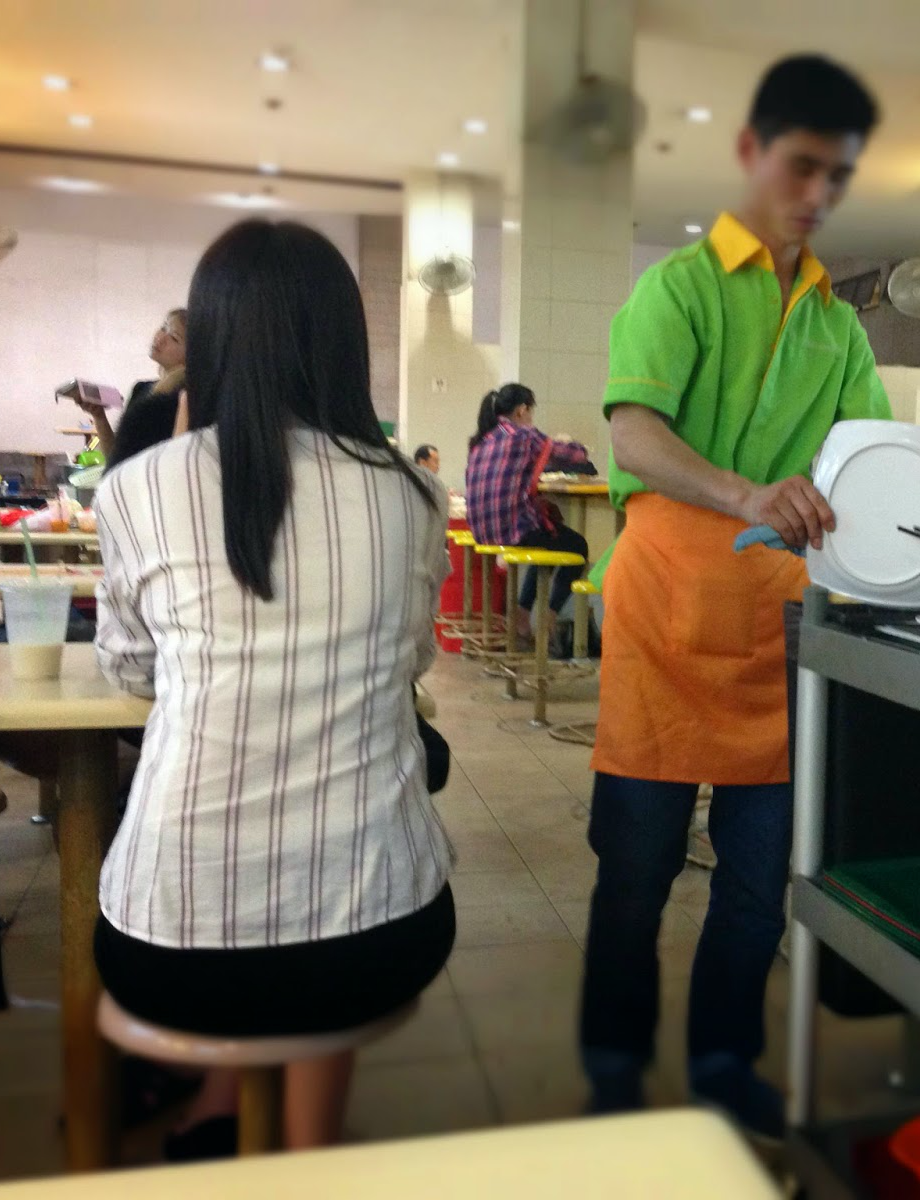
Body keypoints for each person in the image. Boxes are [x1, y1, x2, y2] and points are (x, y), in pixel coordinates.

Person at [91, 219, 455, 1157]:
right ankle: (300, 1147)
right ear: (344, 343)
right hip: (379, 936)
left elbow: (128, 670)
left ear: (207, 341)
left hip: (170, 946)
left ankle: (222, 1114)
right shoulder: (414, 496)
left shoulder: (136, 487)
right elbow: (413, 660)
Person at [579, 55, 888, 1137]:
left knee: (758, 883)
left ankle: (720, 1061)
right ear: (753, 153)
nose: (817, 193)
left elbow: (868, 458)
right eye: (801, 165)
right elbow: (633, 434)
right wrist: (748, 492)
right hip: (664, 611)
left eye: (836, 176)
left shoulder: (839, 327)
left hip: (779, 625)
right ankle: (613, 1063)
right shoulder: (679, 287)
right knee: (635, 871)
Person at [464, 383, 591, 642]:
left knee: (549, 539)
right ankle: (549, 617)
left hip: (482, 532)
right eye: (531, 411)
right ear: (522, 410)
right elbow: (576, 455)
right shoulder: (523, 435)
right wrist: (570, 443)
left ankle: (522, 614)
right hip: (511, 530)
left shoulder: (482, 441)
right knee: (577, 546)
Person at [73, 308, 187, 468]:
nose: (161, 338)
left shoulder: (183, 399)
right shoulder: (141, 389)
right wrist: (99, 416)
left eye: (174, 338)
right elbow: (116, 459)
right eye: (163, 328)